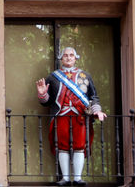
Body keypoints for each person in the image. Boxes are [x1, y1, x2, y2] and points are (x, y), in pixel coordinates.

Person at [35, 47, 107, 186]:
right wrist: (42, 94)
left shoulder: (85, 76)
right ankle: (66, 178)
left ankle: (78, 178)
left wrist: (97, 111)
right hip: (61, 116)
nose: (68, 58)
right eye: (65, 55)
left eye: (71, 55)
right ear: (61, 58)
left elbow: (93, 97)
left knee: (79, 146)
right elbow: (47, 103)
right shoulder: (53, 77)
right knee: (62, 146)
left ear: (76, 58)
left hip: (80, 116)